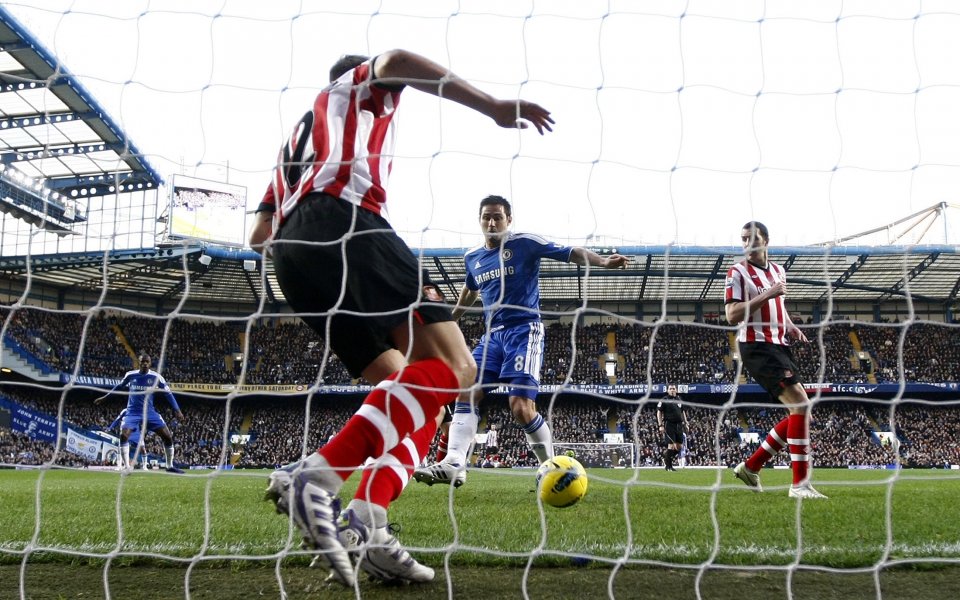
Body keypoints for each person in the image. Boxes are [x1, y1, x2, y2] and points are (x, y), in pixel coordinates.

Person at [248, 50, 554, 587]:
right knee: (459, 370)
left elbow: (258, 237)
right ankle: (316, 478)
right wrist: (494, 107)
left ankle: (371, 522)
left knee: (417, 399)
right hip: (346, 220)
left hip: (293, 260)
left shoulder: (294, 143)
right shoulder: (357, 88)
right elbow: (395, 58)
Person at [413, 195, 628, 488]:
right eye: (486, 217)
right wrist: (450, 319)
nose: (491, 222)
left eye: (498, 217)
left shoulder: (525, 243)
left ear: (509, 220)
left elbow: (570, 251)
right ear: (479, 220)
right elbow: (470, 289)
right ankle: (454, 464)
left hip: (524, 330)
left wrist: (602, 261)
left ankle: (553, 470)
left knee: (520, 407)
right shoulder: (472, 257)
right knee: (466, 388)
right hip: (492, 336)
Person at [725, 221, 827, 499]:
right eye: (743, 240)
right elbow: (732, 315)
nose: (746, 245)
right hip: (756, 346)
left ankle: (751, 466)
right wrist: (768, 293)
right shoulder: (737, 272)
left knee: (799, 410)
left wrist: (790, 325)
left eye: (751, 239)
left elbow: (778, 306)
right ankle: (799, 485)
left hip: (779, 344)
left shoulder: (779, 270)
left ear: (766, 240)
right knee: (801, 405)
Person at [93, 354, 185, 474]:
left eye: (147, 362)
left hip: (150, 413)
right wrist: (105, 397)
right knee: (124, 436)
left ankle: (169, 466)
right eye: (143, 362)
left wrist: (177, 409)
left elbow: (168, 394)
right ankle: (127, 467)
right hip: (132, 412)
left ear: (150, 363)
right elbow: (119, 387)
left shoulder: (156, 377)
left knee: (167, 436)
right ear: (139, 363)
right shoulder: (130, 375)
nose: (145, 364)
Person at [657, 384, 688, 471]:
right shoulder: (664, 400)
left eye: (674, 389)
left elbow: (682, 412)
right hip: (669, 424)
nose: (672, 390)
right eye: (670, 389)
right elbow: (659, 412)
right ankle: (668, 466)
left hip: (679, 425)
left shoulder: (679, 399)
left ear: (676, 390)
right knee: (671, 446)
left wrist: (686, 423)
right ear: (667, 390)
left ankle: (666, 457)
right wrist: (660, 425)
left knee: (679, 447)